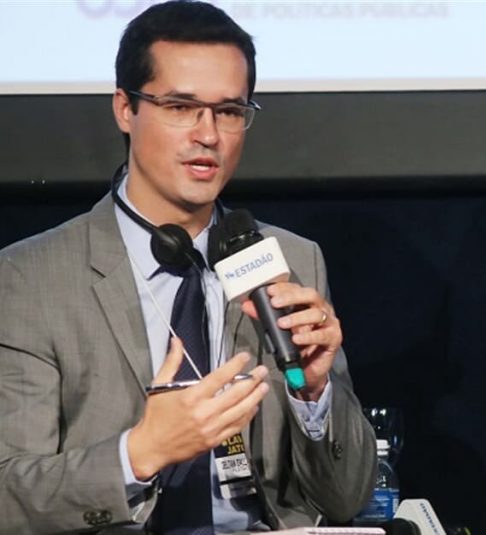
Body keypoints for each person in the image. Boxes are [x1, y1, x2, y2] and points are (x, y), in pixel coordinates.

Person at [0, 2, 375, 533]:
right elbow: (8, 494)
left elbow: (346, 498)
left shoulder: (290, 262)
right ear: (125, 109)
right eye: (181, 106)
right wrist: (139, 453)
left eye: (229, 111)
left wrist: (312, 392)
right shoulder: (29, 278)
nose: (209, 135)